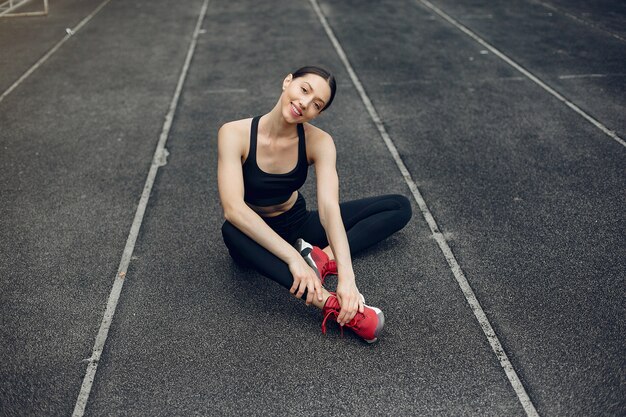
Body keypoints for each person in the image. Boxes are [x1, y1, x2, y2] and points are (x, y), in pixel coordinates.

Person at [217, 66, 411, 343]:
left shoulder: (319, 142)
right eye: (304, 90)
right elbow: (234, 208)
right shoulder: (233, 133)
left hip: (296, 221)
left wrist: (347, 278)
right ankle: (331, 305)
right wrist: (294, 258)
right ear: (288, 82)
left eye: (316, 104)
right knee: (231, 230)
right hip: (254, 233)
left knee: (398, 206)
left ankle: (323, 259)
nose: (304, 103)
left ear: (318, 113)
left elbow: (329, 209)